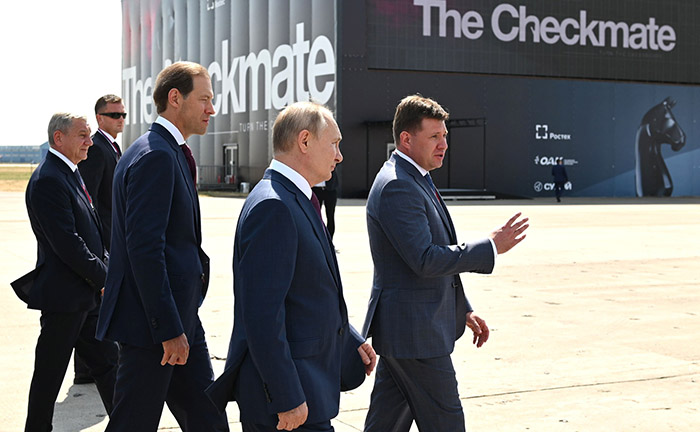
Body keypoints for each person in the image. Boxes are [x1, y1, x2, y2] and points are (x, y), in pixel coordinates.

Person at [362, 95, 529, 432]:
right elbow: (424, 259)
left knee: (385, 423)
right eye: (434, 137)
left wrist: (461, 308)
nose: (444, 145)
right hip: (415, 333)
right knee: (446, 422)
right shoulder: (399, 185)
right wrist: (491, 246)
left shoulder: (414, 177)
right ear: (407, 139)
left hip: (406, 329)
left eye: (445, 136)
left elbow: (429, 254)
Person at [206, 101, 376, 432]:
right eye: (334, 144)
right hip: (288, 402)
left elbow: (306, 292)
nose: (339, 155)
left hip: (306, 390)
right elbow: (262, 317)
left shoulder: (293, 198)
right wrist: (286, 396)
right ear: (305, 141)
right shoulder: (275, 206)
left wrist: (349, 336)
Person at [96, 61, 229, 432]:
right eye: (204, 99)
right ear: (175, 98)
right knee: (133, 423)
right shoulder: (155, 155)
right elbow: (145, 249)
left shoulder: (163, 150)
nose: (211, 109)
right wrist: (168, 328)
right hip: (155, 327)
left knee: (208, 418)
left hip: (179, 316)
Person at [18, 113, 117, 432]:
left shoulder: (69, 172)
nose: (90, 141)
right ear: (59, 138)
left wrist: (104, 270)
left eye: (89, 135)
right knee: (49, 374)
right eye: (82, 135)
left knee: (107, 364)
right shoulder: (48, 179)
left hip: (83, 296)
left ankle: (130, 422)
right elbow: (68, 244)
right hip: (65, 299)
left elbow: (92, 231)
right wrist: (105, 278)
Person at [73, 94, 125, 385]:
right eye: (115, 115)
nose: (121, 120)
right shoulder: (97, 149)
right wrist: (100, 242)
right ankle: (87, 369)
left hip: (110, 237)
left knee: (99, 306)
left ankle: (89, 367)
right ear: (100, 118)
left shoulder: (111, 147)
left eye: (123, 115)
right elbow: (87, 199)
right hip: (102, 239)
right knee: (96, 304)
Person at [311, 169, 338, 239]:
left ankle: (330, 240)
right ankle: (318, 239)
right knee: (316, 216)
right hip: (316, 190)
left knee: (330, 216)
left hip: (329, 190)